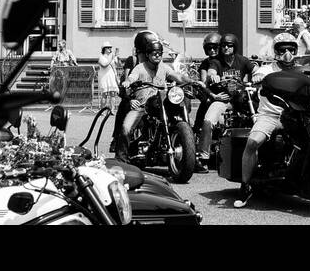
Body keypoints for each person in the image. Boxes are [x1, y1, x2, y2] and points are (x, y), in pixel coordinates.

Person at [236, 31, 300, 207]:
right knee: (253, 141)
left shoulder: (301, 69)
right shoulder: (268, 69)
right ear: (276, 51)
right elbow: (257, 75)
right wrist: (257, 78)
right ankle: (245, 186)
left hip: (296, 115)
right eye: (282, 49)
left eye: (291, 49)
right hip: (271, 115)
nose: (287, 53)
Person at [114, 32, 193, 163]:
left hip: (160, 102)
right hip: (142, 105)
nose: (157, 56)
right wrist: (128, 82)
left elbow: (177, 76)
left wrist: (190, 80)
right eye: (153, 53)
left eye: (159, 53)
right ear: (147, 54)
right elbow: (132, 77)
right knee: (126, 127)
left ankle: (189, 151)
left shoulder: (164, 68)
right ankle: (121, 159)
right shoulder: (139, 68)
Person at [197, 33, 255, 174]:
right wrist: (213, 76)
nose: (226, 48)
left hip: (241, 100)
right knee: (208, 121)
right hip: (223, 99)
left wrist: (259, 73)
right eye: (223, 45)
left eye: (229, 45)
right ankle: (203, 157)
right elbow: (211, 72)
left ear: (234, 47)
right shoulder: (216, 61)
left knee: (257, 119)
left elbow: (254, 69)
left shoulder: (242, 60)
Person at [96, 42, 120, 112]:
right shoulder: (101, 57)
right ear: (104, 49)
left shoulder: (112, 57)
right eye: (108, 47)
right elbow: (104, 65)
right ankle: (102, 110)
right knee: (105, 94)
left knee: (113, 93)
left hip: (111, 76)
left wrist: (117, 57)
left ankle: (112, 110)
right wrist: (111, 58)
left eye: (110, 47)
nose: (110, 49)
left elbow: (116, 66)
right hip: (104, 77)